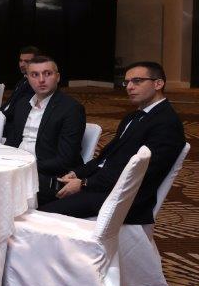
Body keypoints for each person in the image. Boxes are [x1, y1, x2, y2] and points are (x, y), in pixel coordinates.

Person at [40, 61, 186, 225]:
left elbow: (139, 174)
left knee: (40, 215)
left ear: (158, 84)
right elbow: (104, 158)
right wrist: (77, 173)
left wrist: (84, 184)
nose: (129, 87)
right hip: (100, 184)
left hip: (121, 199)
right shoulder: (133, 117)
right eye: (127, 82)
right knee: (35, 191)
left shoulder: (166, 123)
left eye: (137, 81)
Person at [2, 55, 86, 203]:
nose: (41, 80)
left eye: (47, 74)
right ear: (27, 78)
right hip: (17, 168)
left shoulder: (71, 109)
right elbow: (12, 142)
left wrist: (25, 165)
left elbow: (66, 159)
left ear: (57, 77)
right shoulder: (22, 105)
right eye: (35, 75)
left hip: (46, 176)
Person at [2, 45, 41, 114]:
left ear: (37, 62)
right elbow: (10, 103)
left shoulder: (36, 84)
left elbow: (19, 110)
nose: (22, 65)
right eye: (20, 61)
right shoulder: (23, 80)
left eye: (27, 61)